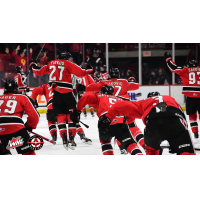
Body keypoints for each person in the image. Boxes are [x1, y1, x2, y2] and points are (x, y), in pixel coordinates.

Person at [29, 52, 93, 150]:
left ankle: (63, 139)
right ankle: (72, 139)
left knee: (60, 118)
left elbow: (38, 71)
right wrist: (90, 68)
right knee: (72, 117)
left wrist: (32, 65)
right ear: (66, 58)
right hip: (67, 94)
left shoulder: (51, 63)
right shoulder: (68, 64)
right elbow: (82, 72)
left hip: (56, 96)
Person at [100, 92, 196, 155]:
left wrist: (108, 117)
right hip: (174, 118)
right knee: (187, 153)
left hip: (152, 123)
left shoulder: (144, 102)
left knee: (152, 153)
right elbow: (182, 119)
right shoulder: (170, 99)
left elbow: (119, 106)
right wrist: (178, 139)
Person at [85, 67, 145, 154]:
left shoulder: (103, 82)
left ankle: (121, 146)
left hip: (107, 110)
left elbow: (90, 89)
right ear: (118, 75)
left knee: (110, 134)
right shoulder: (123, 82)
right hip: (123, 109)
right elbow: (136, 86)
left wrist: (82, 87)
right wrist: (132, 78)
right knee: (132, 127)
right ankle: (143, 145)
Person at [70, 85, 143, 155]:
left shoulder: (99, 96)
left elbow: (86, 97)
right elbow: (130, 118)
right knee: (131, 144)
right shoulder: (120, 99)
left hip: (104, 123)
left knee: (105, 142)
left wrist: (77, 111)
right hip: (120, 123)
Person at [164, 52, 200, 139]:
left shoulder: (185, 70)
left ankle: (195, 132)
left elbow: (173, 67)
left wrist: (168, 58)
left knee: (192, 115)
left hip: (190, 98)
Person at [0, 79, 40, 155]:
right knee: (28, 153)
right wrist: (29, 126)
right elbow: (34, 116)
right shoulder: (23, 97)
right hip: (16, 129)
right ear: (16, 88)